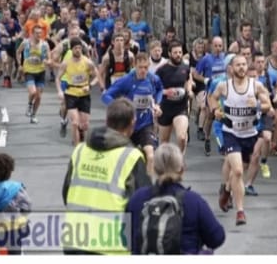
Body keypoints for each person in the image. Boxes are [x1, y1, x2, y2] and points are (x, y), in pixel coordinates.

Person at [62, 97, 152, 255]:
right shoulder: (131, 157)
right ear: (132, 124)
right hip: (111, 245)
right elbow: (141, 206)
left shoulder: (80, 150)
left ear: (107, 120)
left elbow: (66, 193)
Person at [127, 144, 226, 254]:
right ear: (182, 169)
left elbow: (125, 239)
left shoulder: (137, 198)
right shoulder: (194, 201)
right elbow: (217, 238)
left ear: (154, 168)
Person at [210, 54, 272, 225]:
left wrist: (258, 105)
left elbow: (268, 106)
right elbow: (212, 98)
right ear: (231, 68)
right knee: (237, 171)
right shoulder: (224, 86)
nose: (242, 68)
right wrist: (215, 110)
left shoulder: (257, 86)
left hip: (249, 134)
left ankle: (227, 190)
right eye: (238, 65)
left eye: (244, 64)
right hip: (230, 132)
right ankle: (240, 211)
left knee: (241, 169)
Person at [102, 52, 164, 176]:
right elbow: (106, 96)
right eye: (140, 67)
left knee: (150, 155)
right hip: (128, 125)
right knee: (124, 158)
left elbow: (160, 89)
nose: (143, 71)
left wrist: (157, 104)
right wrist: (119, 107)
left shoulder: (153, 79)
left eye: (146, 67)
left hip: (146, 125)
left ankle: (147, 187)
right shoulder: (126, 80)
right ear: (135, 65)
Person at [54, 37, 102, 145]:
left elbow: (97, 76)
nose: (78, 50)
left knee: (84, 125)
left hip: (84, 94)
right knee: (75, 123)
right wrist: (60, 91)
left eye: (80, 48)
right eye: (76, 48)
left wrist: (90, 86)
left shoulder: (87, 62)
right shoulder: (66, 63)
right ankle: (76, 147)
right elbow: (58, 78)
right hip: (71, 93)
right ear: (72, 50)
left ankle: (80, 132)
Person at [0, 153, 32, 255]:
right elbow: (27, 205)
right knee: (14, 252)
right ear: (10, 171)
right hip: (13, 228)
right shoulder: (16, 188)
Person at [243, 52, 277, 195]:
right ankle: (230, 186)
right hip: (244, 124)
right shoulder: (240, 88)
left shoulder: (264, 84)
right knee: (244, 161)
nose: (252, 79)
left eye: (254, 77)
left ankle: (249, 184)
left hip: (261, 119)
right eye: (249, 77)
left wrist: (269, 107)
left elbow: (268, 101)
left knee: (256, 153)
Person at [155, 41, 194, 155]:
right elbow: (154, 89)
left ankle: (179, 158)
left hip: (180, 107)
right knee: (164, 142)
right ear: (169, 54)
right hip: (165, 108)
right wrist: (165, 92)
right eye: (175, 52)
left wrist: (189, 90)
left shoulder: (185, 67)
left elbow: (188, 80)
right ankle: (165, 162)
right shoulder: (161, 70)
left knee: (182, 137)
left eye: (180, 52)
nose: (178, 55)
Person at [193, 36, 227, 156]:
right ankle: (207, 138)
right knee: (210, 116)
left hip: (224, 93)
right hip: (212, 93)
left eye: (220, 46)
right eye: (216, 46)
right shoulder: (206, 59)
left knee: (223, 117)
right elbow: (195, 74)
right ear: (211, 46)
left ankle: (223, 143)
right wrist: (205, 79)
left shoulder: (225, 58)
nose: (218, 48)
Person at [16, 26, 51, 123]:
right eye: (37, 33)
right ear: (32, 34)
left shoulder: (45, 45)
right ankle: (29, 105)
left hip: (40, 71)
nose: (39, 35)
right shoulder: (26, 43)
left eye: (40, 33)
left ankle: (34, 115)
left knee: (39, 96)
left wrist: (48, 61)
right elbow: (18, 52)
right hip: (29, 71)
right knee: (33, 92)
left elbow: (49, 57)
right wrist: (20, 64)